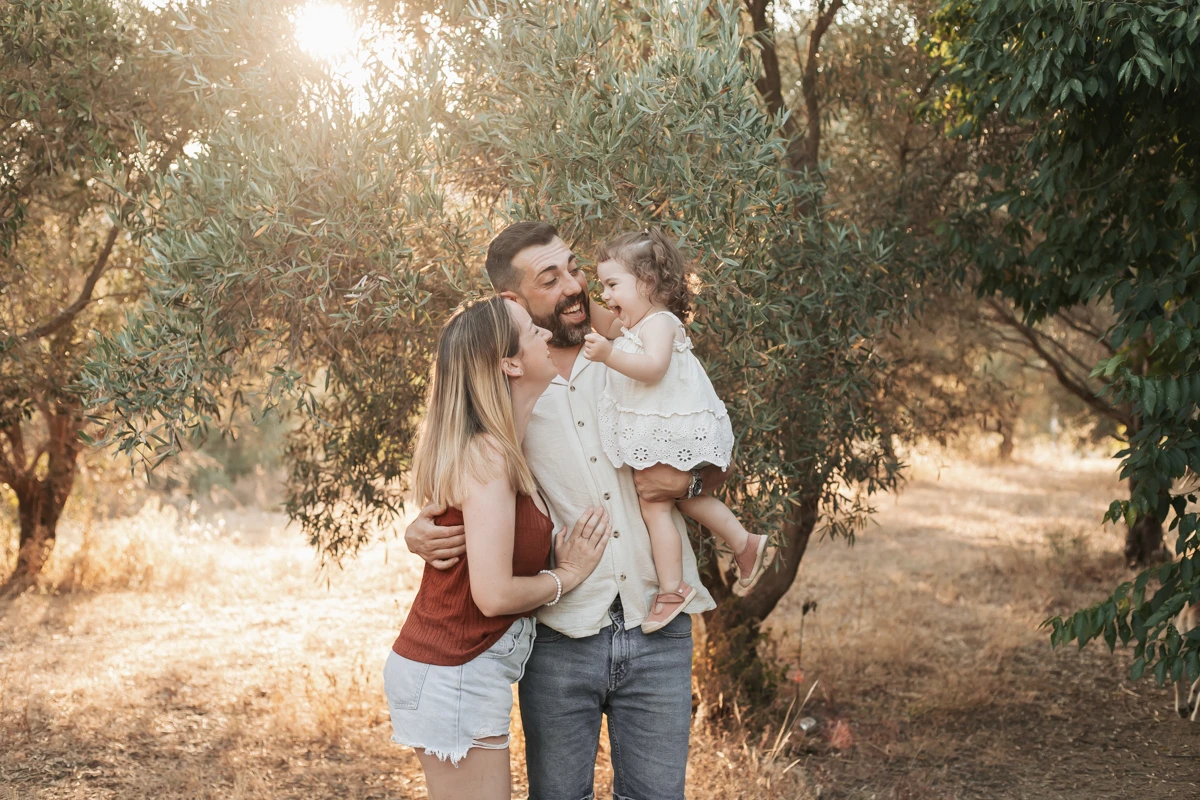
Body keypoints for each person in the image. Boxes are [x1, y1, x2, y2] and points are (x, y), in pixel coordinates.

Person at [405, 222, 730, 800]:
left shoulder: (635, 352)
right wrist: (419, 531)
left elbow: (709, 448)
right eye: (550, 279)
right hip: (558, 637)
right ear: (512, 301)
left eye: (574, 269)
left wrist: (690, 479)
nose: (575, 287)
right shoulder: (508, 389)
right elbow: (460, 477)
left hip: (658, 619)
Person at [384, 296, 612, 800]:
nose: (548, 336)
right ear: (509, 362)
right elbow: (490, 595)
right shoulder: (488, 450)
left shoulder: (505, 444)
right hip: (452, 671)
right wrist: (568, 576)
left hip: (461, 670)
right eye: (533, 332)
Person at [580, 228, 768, 632]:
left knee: (656, 503)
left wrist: (609, 356)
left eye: (612, 285)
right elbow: (608, 325)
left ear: (647, 282)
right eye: (602, 287)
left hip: (675, 430)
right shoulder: (640, 322)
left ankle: (673, 587)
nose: (607, 296)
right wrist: (583, 294)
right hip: (667, 431)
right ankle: (740, 543)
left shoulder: (660, 323)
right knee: (668, 501)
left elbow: (654, 368)